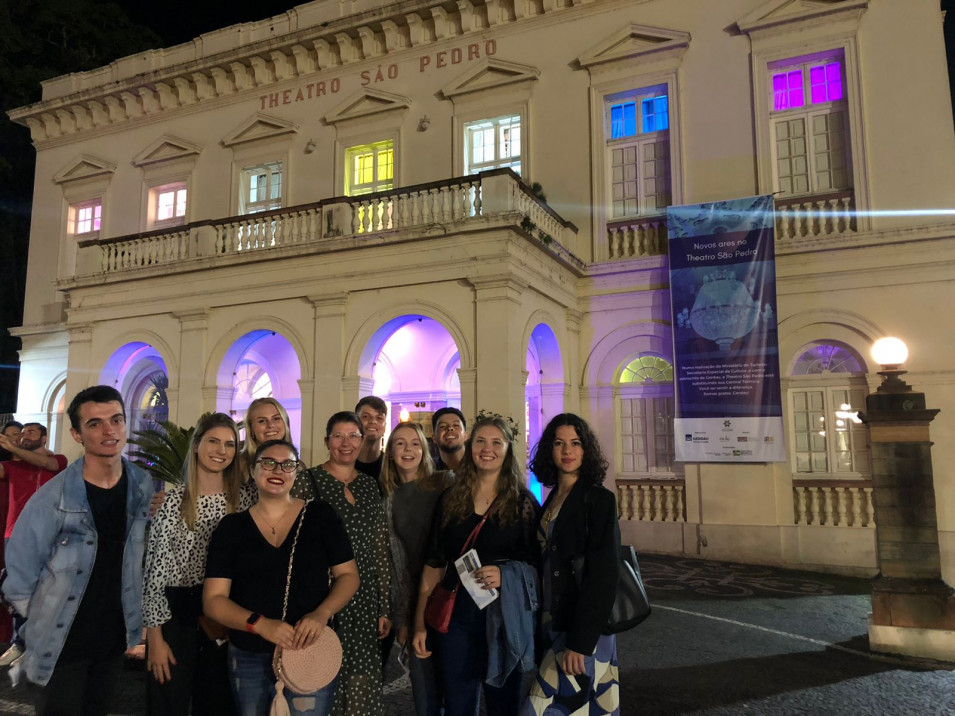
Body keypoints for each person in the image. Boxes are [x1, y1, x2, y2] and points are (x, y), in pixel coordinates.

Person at [2, 386, 153, 716]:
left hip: (113, 631)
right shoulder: (52, 498)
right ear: (77, 433)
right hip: (62, 633)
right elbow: (21, 571)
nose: (109, 430)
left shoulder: (140, 483)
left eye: (116, 419)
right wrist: (36, 624)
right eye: (95, 423)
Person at [204, 439, 359, 716]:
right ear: (253, 470)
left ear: (296, 472)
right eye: (268, 463)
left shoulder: (319, 515)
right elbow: (214, 600)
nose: (278, 470)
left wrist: (321, 613)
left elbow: (348, 576)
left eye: (287, 464)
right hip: (250, 653)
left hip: (308, 650)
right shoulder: (232, 528)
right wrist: (259, 624)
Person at [413, 415, 539, 716]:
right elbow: (434, 563)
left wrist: (505, 573)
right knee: (457, 701)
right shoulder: (451, 499)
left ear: (508, 450)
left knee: (503, 700)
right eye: (480, 441)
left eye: (497, 442)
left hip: (504, 615)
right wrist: (419, 622)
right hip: (457, 615)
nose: (487, 449)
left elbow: (538, 564)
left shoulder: (522, 502)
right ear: (470, 447)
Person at [143, 412, 256, 715]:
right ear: (196, 445)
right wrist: (154, 638)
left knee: (218, 703)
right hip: (177, 616)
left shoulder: (246, 500)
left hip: (225, 612)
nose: (221, 451)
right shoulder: (171, 500)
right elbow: (155, 574)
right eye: (214, 441)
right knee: (168, 702)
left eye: (230, 445)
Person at [292, 412, 391, 716]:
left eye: (353, 436)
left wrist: (384, 605)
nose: (346, 443)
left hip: (363, 599)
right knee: (322, 673)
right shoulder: (307, 481)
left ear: (363, 442)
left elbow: (379, 547)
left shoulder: (369, 486)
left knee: (362, 678)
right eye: (338, 436)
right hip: (324, 594)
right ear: (327, 441)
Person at [523, 414, 620, 715]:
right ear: (549, 450)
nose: (568, 451)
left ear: (586, 449)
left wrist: (581, 641)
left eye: (576, 443)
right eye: (559, 443)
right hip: (553, 620)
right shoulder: (551, 499)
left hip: (582, 627)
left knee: (542, 708)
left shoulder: (599, 499)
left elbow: (604, 574)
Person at [381, 422, 454, 716]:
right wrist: (402, 618)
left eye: (414, 443)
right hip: (414, 598)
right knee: (423, 684)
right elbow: (395, 564)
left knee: (455, 680)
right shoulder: (388, 498)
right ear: (390, 453)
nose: (407, 449)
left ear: (424, 450)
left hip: (449, 592)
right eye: (400, 443)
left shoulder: (445, 482)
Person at [0, 422, 69, 666]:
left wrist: (12, 447)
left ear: (44, 437)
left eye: (30, 432)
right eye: (21, 433)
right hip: (15, 535)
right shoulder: (11, 466)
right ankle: (19, 644)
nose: (24, 436)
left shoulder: (58, 461)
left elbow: (46, 463)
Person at [238, 397, 291, 479]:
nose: (270, 425)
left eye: (276, 418)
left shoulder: (297, 466)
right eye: (262, 421)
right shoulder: (238, 466)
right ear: (251, 429)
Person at [354, 396, 387, 481]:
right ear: (355, 422)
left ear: (385, 426)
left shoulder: (391, 467)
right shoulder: (344, 464)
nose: (373, 421)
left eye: (379, 418)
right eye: (366, 416)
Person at [430, 408, 468, 473]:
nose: (450, 428)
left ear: (466, 435)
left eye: (456, 425)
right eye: (442, 426)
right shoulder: (428, 472)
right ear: (434, 438)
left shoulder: (479, 467)